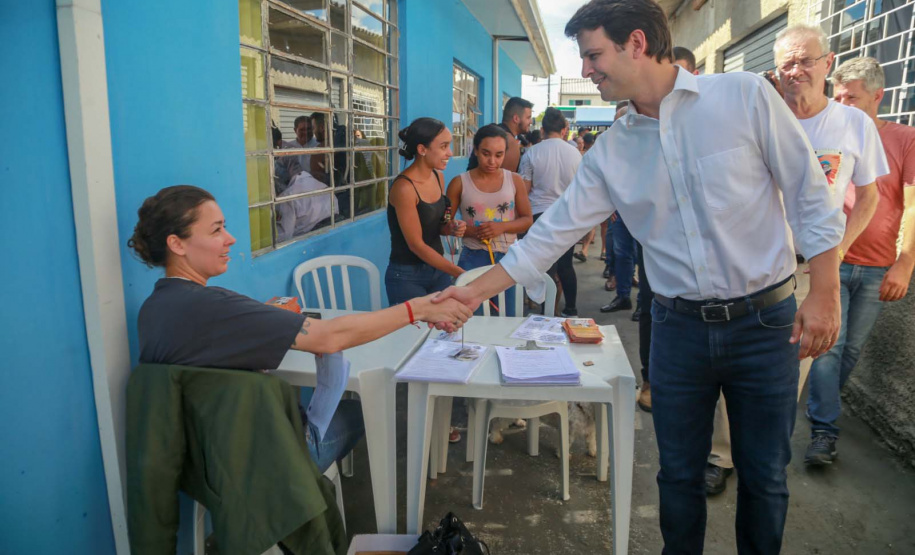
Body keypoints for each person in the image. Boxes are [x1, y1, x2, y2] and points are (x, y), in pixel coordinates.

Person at [432, 1, 844, 552]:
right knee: (677, 475)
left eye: (594, 54)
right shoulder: (613, 150)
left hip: (764, 325)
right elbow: (550, 235)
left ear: (638, 44)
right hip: (677, 332)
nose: (587, 71)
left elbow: (810, 196)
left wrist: (825, 290)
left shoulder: (743, 96)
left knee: (765, 476)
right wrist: (469, 291)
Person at [129, 185, 472, 474]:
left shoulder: (156, 308)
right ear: (177, 244)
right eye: (216, 230)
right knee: (361, 409)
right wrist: (420, 307)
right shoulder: (210, 306)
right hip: (259, 461)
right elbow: (330, 336)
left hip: (200, 456)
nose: (231, 239)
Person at [820, 56, 913, 459]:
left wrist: (905, 262)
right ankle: (824, 429)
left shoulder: (905, 139)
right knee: (830, 346)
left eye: (852, 98)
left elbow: (911, 204)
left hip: (878, 267)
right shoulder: (830, 134)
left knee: (852, 349)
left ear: (879, 96)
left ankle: (822, 406)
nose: (843, 105)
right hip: (832, 261)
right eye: (838, 97)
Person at [447, 124, 533, 315]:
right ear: (475, 150)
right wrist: (466, 230)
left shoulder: (514, 180)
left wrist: (501, 227)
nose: (492, 161)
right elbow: (445, 224)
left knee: (506, 316)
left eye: (499, 155)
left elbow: (527, 220)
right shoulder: (459, 183)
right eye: (486, 153)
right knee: (470, 317)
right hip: (472, 257)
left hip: (508, 259)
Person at [386, 117, 466, 306]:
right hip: (407, 276)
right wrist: (459, 273)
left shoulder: (438, 176)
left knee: (444, 331)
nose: (450, 153)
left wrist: (450, 228)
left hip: (437, 270)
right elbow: (416, 245)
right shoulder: (404, 188)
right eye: (444, 146)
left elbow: (436, 227)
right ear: (422, 150)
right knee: (413, 334)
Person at [517, 107, 583, 317]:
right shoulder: (575, 154)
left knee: (543, 266)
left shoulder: (531, 153)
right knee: (566, 265)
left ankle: (546, 312)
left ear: (543, 129)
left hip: (538, 215)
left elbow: (524, 189)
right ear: (564, 129)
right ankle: (570, 309)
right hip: (566, 215)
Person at [467, 97, 534, 172]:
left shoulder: (489, 133)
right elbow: (504, 182)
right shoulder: (509, 143)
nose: (531, 122)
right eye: (528, 118)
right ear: (516, 118)